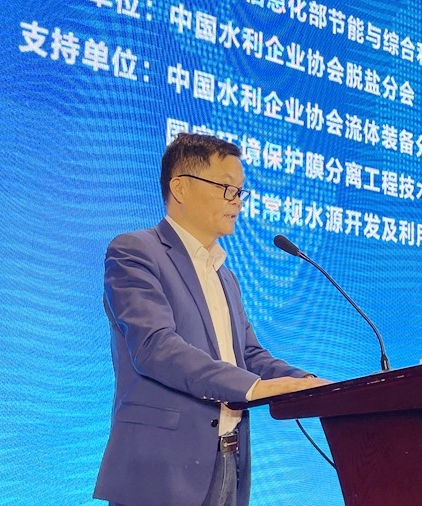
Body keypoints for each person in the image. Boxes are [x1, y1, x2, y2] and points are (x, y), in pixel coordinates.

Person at [93, 133, 327, 506]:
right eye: (226, 188)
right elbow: (155, 347)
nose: (237, 201)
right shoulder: (135, 252)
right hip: (161, 470)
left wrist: (310, 384)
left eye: (240, 192)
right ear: (181, 188)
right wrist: (254, 388)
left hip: (228, 459)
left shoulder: (224, 275)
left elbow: (248, 355)